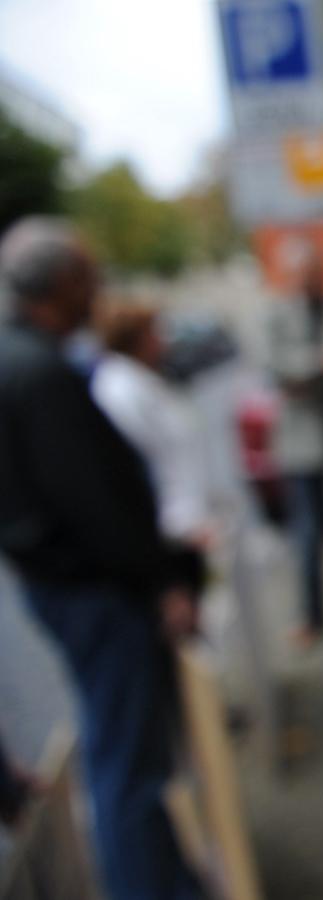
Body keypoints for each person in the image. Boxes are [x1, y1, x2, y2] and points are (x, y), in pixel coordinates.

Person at [0, 218, 201, 899]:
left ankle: (166, 878)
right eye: (88, 275)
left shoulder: (20, 360)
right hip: (92, 591)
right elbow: (96, 503)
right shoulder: (44, 373)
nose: (98, 290)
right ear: (62, 285)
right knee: (127, 762)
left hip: (57, 584)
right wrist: (159, 579)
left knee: (125, 751)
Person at [263, 239, 323, 643]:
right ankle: (313, 615)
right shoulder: (279, 314)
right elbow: (277, 371)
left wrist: (313, 373)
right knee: (310, 532)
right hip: (304, 442)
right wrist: (321, 365)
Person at [92, 302, 214, 548]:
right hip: (171, 529)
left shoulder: (144, 379)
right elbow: (141, 463)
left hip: (190, 520)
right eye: (155, 332)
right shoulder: (119, 388)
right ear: (136, 339)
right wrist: (180, 522)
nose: (163, 340)